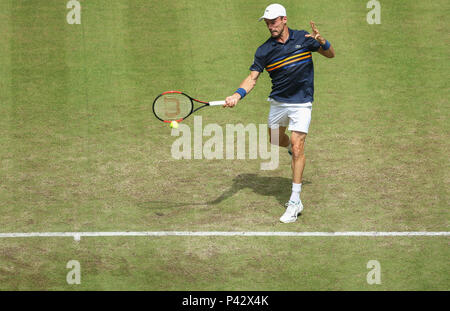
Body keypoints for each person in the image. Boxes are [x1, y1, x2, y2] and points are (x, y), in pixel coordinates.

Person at [224, 3, 335, 223]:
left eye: (273, 22)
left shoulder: (304, 38)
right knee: (275, 139)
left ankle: (294, 202)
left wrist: (322, 41)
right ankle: (292, 152)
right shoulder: (264, 50)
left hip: (302, 102)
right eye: (267, 23)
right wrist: (237, 94)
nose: (270, 26)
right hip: (278, 102)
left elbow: (330, 55)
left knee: (297, 146)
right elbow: (252, 78)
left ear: (284, 19)